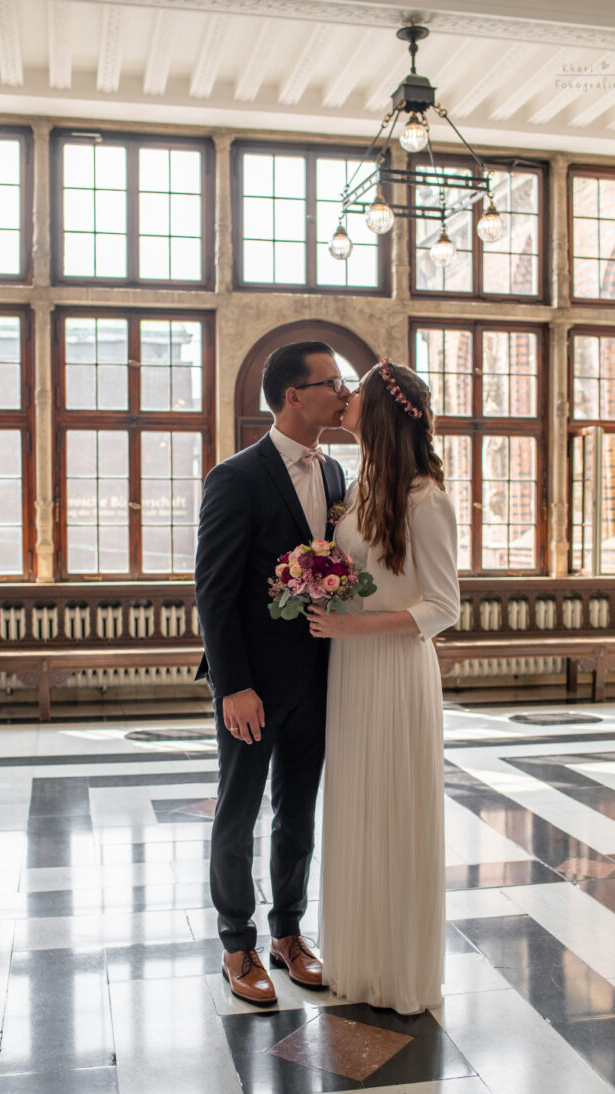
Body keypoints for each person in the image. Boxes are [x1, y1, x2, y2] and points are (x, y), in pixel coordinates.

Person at [194, 340, 348, 1006]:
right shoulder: (237, 476)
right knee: (238, 814)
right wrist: (233, 684)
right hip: (253, 684)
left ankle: (289, 934)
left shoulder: (337, 473)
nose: (343, 393)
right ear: (295, 394)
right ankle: (237, 945)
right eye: (332, 382)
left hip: (320, 675)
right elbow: (215, 589)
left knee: (297, 813)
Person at [309, 358, 460, 1015]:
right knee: (356, 808)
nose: (343, 399)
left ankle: (398, 970)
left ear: (378, 413)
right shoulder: (365, 484)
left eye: (354, 393)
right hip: (352, 674)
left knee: (393, 811)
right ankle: (360, 962)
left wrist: (355, 627)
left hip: (394, 673)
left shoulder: (426, 498)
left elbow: (444, 608)